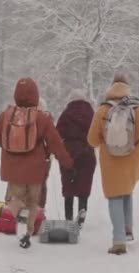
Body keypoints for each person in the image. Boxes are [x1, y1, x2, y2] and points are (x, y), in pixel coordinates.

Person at [87, 72, 139, 255]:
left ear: (111, 87)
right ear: (128, 87)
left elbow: (92, 140)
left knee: (115, 197)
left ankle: (119, 241)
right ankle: (127, 231)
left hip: (110, 162)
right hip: (132, 160)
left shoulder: (103, 110)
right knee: (127, 191)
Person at [0, 78, 73, 249]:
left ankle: (21, 224)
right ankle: (27, 232)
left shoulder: (5, 116)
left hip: (13, 170)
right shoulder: (41, 118)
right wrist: (67, 163)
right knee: (33, 203)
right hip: (36, 170)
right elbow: (55, 143)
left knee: (13, 199)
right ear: (36, 96)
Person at [56, 89, 96, 227]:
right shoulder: (91, 113)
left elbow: (57, 132)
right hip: (87, 153)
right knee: (84, 184)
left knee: (68, 185)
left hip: (69, 153)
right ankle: (82, 212)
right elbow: (96, 132)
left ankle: (68, 217)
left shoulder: (66, 113)